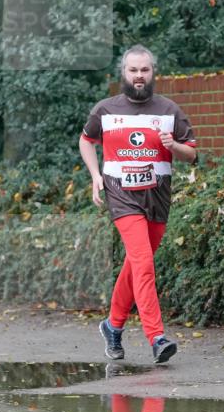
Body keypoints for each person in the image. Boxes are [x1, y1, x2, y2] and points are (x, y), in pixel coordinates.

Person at [79, 44, 196, 364]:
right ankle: (156, 337)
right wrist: (95, 176)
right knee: (142, 261)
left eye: (145, 70)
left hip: (157, 198)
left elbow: (193, 153)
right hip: (121, 196)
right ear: (124, 73)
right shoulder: (105, 109)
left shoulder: (169, 110)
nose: (139, 75)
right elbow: (86, 140)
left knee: (135, 265)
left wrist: (175, 146)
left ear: (153, 72)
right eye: (133, 70)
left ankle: (112, 326)